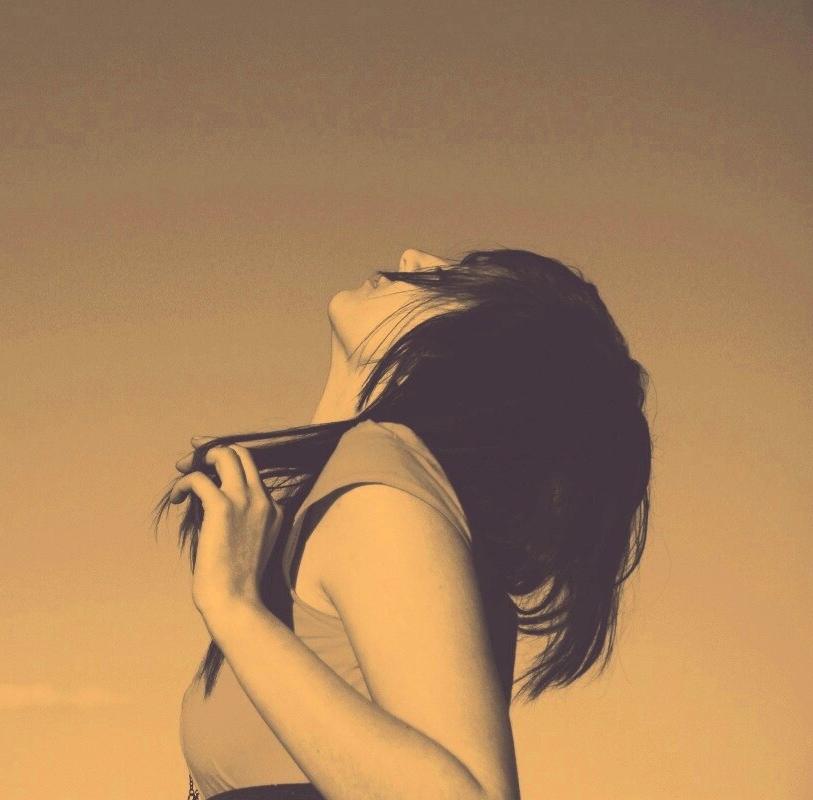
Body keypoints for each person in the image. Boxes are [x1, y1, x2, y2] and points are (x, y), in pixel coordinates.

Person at [151, 248, 654, 800]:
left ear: (468, 351)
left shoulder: (381, 482)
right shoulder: (346, 490)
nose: (413, 258)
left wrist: (234, 608)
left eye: (452, 278)